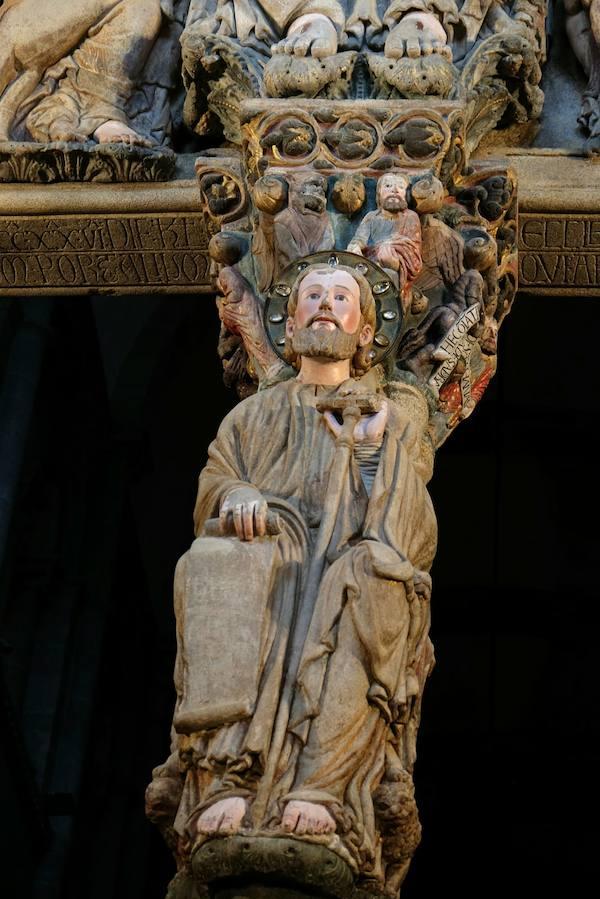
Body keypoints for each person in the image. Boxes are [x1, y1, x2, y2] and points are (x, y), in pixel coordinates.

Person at [154, 261, 437, 886]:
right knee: (216, 563)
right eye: (312, 295)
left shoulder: (388, 415)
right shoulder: (253, 415)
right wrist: (235, 496)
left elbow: (410, 526)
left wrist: (371, 449)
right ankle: (232, 777)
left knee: (370, 578)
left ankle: (322, 783)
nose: (325, 305)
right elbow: (216, 480)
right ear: (289, 323)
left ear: (366, 331)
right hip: (269, 562)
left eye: (341, 297)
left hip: (348, 572)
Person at [0, 0, 177, 144]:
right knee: (144, 6)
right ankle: (86, 107)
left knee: (145, 8)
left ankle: (90, 107)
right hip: (23, 21)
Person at [347, 173, 422, 307]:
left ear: (406, 195)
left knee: (388, 275)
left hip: (395, 268)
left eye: (400, 187)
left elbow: (413, 249)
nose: (394, 190)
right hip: (369, 264)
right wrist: (355, 247)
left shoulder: (410, 217)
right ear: (379, 194)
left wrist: (395, 262)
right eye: (388, 186)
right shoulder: (371, 217)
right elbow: (360, 238)